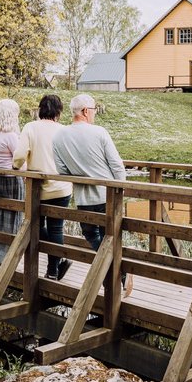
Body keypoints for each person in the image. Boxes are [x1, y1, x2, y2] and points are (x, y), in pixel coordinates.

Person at [52, 93, 133, 296]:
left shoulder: (59, 136)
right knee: (112, 237)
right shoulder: (99, 132)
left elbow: (62, 170)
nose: (95, 113)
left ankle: (115, 280)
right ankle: (120, 274)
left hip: (83, 199)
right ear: (86, 111)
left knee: (92, 235)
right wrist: (121, 189)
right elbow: (116, 165)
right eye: (94, 110)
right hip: (107, 196)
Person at [13, 94, 72, 281]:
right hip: (61, 187)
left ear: (40, 109)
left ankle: (56, 264)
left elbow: (20, 154)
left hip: (38, 188)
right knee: (56, 229)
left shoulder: (31, 127)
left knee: (35, 226)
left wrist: (16, 165)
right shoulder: (65, 130)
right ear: (58, 111)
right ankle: (53, 271)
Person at [0, 98, 23, 265]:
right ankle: (8, 257)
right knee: (13, 217)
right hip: (11, 180)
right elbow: (19, 162)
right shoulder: (11, 136)